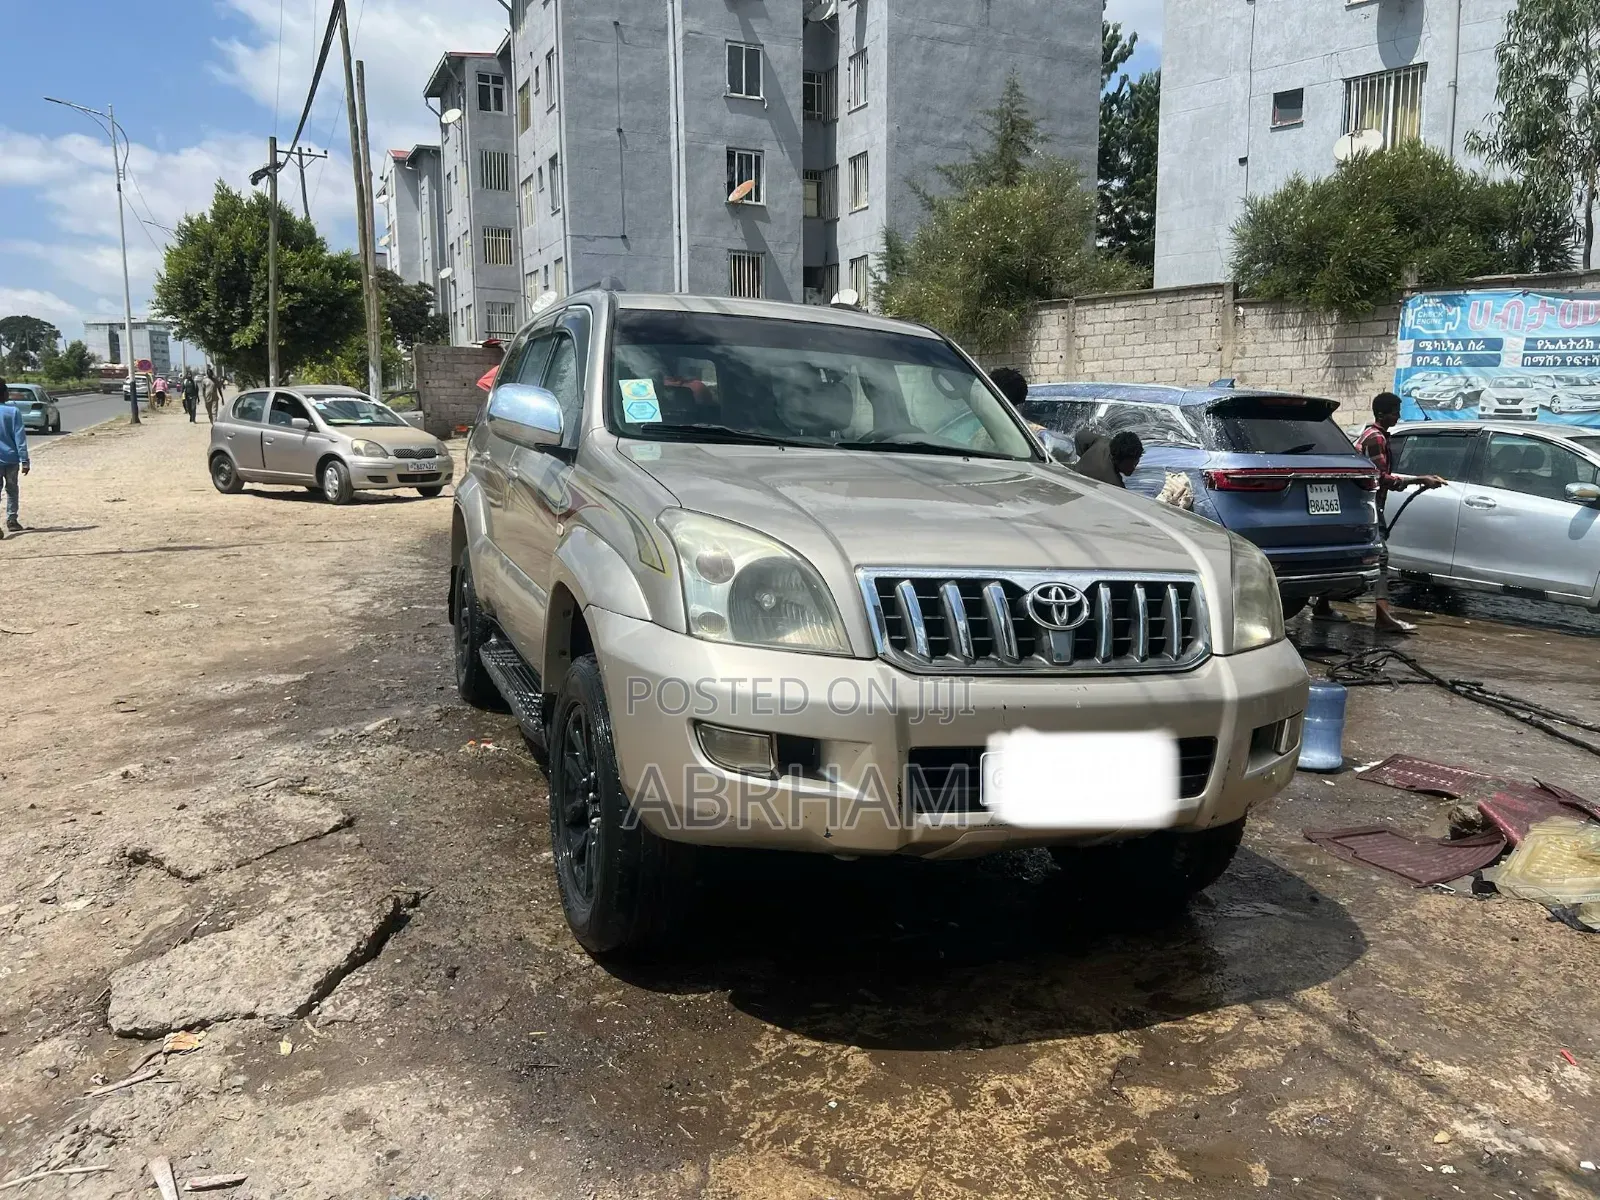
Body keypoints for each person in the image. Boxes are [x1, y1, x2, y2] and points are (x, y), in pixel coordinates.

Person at [1312, 391, 1445, 634]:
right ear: (1382, 414)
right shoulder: (1376, 438)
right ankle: (1383, 617)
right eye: (1395, 412)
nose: (1398, 416)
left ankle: (1322, 605)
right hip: (1365, 507)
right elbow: (1379, 477)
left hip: (1359, 505)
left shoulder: (1373, 435)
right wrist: (1418, 480)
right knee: (1380, 557)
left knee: (1345, 556)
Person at [0, 378, 31, 536]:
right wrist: (25, 460)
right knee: (12, 489)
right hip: (11, 459)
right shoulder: (13, 412)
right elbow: (20, 438)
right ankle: (12, 519)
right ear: (4, 394)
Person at [1074, 429, 1143, 488]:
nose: (1134, 468)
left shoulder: (1103, 442)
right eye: (1131, 464)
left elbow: (1079, 436)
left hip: (1074, 474)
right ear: (1118, 460)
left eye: (1136, 462)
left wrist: (1086, 457)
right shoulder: (1115, 484)